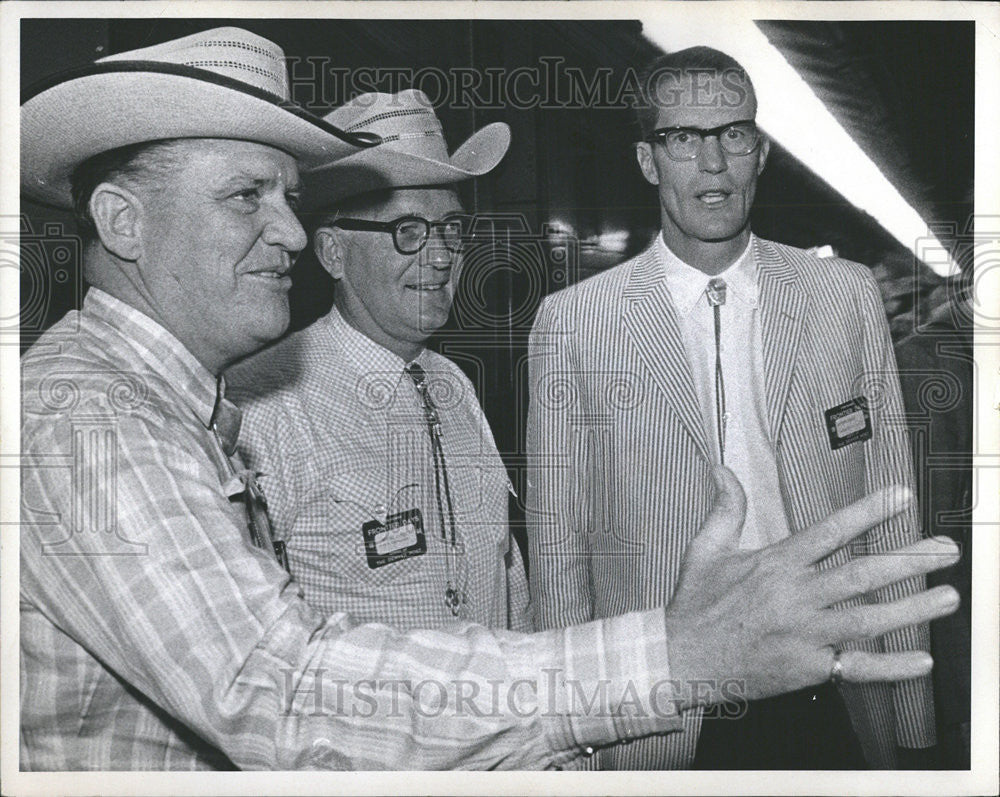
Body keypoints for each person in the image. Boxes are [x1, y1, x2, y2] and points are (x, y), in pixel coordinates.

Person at [18, 28, 959, 772]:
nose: (289, 237)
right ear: (121, 222)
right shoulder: (92, 421)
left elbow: (511, 587)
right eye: (246, 197)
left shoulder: (444, 386)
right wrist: (672, 654)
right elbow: (281, 692)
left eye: (450, 229)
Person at [527, 46, 937, 770]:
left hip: (829, 681)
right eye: (683, 138)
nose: (713, 163)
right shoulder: (574, 322)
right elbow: (561, 551)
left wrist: (913, 718)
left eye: (733, 134)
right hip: (663, 708)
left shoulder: (843, 295)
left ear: (761, 151)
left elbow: (891, 510)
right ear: (649, 161)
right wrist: (577, 750)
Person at [227, 89, 532, 632]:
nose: (440, 256)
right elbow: (254, 648)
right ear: (333, 253)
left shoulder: (455, 384)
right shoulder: (265, 403)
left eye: (452, 230)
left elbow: (507, 577)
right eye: (408, 231)